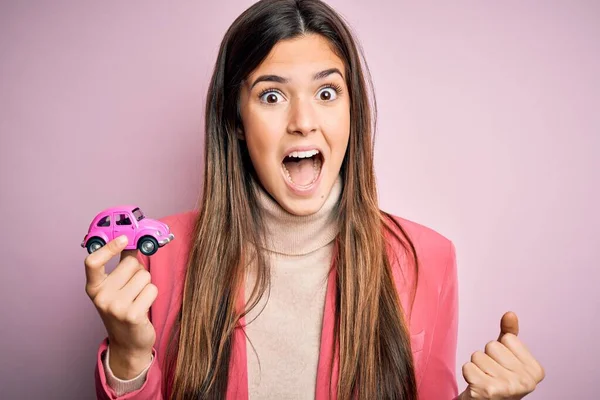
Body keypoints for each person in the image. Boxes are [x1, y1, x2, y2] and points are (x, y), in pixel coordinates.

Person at [84, 0, 545, 399]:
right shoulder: (158, 261)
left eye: (327, 92)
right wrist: (128, 356)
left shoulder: (428, 259)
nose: (303, 121)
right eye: (271, 96)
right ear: (237, 120)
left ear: (351, 110)